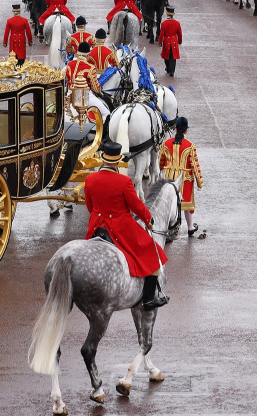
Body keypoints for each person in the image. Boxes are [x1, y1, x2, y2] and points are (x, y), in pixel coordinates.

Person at [83, 139, 169, 311]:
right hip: (119, 227)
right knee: (154, 253)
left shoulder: (90, 179)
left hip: (96, 226)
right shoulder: (124, 182)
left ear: (103, 159)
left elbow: (90, 206)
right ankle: (148, 299)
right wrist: (149, 221)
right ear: (117, 162)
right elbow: (136, 206)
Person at [159, 117, 203, 237]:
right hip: (185, 179)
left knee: (169, 203)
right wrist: (200, 182)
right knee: (187, 205)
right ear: (186, 131)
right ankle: (190, 227)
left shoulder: (165, 143)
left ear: (175, 129)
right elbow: (195, 165)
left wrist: (162, 171)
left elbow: (161, 161)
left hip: (169, 178)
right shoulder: (190, 146)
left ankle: (167, 228)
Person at [158, 6, 182, 77]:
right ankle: (172, 71)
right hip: (174, 41)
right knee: (173, 57)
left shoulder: (164, 23)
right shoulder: (177, 23)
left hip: (166, 41)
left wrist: (160, 42)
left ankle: (168, 68)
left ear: (167, 14)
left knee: (166, 56)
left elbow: (161, 34)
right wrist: (180, 41)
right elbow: (179, 33)